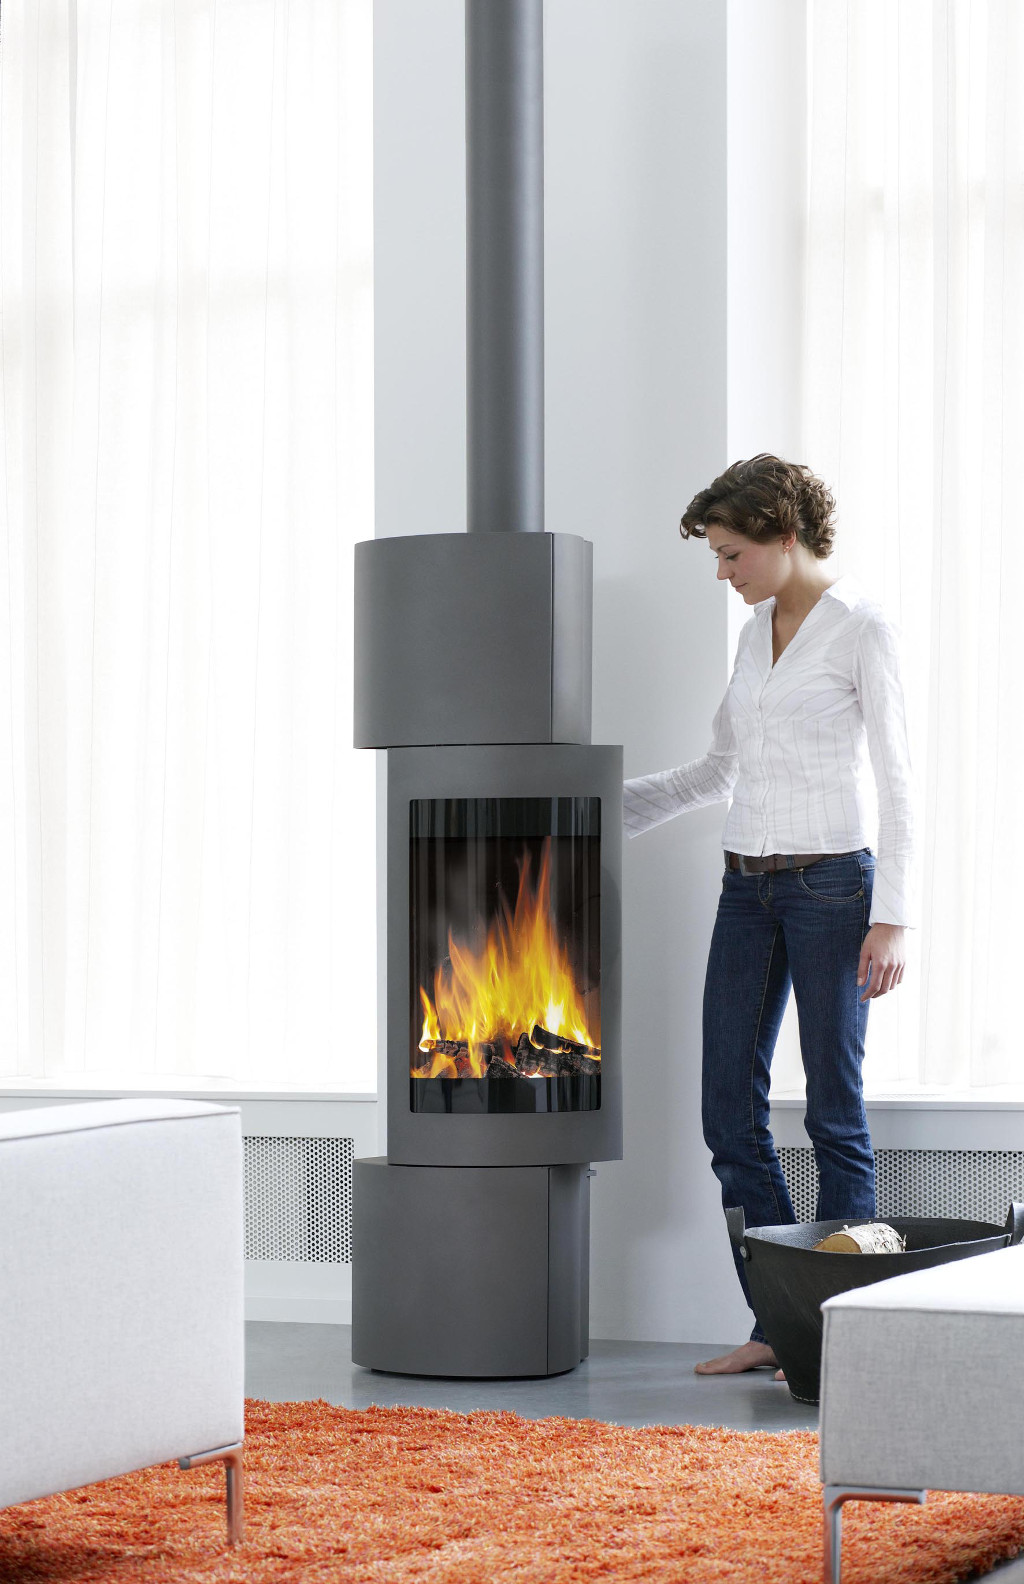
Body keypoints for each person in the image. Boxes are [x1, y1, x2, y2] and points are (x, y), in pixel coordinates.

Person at [623, 454, 918, 1378]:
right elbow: (719, 770)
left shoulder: (862, 628)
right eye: (715, 555)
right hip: (744, 889)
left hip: (835, 888)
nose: (723, 572)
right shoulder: (755, 634)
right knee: (728, 1113)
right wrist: (590, 812)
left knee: (834, 1113)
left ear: (785, 536)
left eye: (732, 553)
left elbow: (900, 782)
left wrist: (894, 916)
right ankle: (779, 1322)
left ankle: (844, 1334)